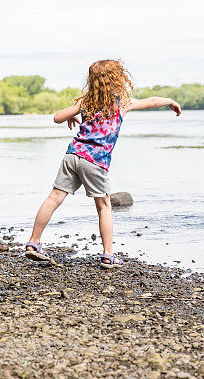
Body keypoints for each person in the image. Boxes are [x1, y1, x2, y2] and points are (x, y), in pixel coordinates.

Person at [24, 59, 181, 268]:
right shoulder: (122, 103)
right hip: (95, 161)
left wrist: (71, 115)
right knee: (104, 206)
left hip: (73, 155)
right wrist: (170, 100)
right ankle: (108, 255)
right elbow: (151, 101)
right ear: (118, 79)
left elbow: (57, 117)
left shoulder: (85, 102)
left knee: (54, 198)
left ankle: (33, 243)